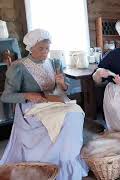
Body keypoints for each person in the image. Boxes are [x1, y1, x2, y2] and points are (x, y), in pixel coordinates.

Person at [0, 29, 88, 179]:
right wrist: (27, 95)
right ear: (30, 47)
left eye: (47, 48)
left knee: (76, 113)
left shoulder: (53, 63)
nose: (45, 52)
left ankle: (67, 160)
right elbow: (6, 97)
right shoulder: (19, 67)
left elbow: (62, 89)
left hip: (52, 102)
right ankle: (53, 161)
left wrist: (62, 84)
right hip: (31, 108)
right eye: (41, 48)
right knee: (70, 116)